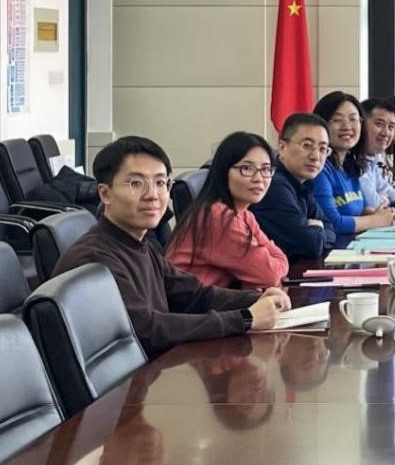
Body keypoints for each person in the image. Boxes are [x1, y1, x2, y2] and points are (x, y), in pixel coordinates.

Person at [52, 136, 291, 358]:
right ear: (105, 194)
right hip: (129, 386)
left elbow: (194, 294)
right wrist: (245, 318)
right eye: (136, 183)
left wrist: (254, 298)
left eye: (160, 183)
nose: (152, 195)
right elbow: (147, 329)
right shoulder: (96, 258)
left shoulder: (139, 244)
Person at [167, 132, 289, 289]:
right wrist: (273, 263)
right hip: (189, 303)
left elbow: (278, 260)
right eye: (247, 168)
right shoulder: (219, 217)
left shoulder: (244, 215)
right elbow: (269, 274)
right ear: (224, 172)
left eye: (266, 169)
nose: (259, 178)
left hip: (217, 299)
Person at [251, 112, 336, 261]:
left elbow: (330, 229)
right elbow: (310, 245)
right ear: (282, 147)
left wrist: (315, 229)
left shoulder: (302, 182)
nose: (316, 156)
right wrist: (318, 227)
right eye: (307, 146)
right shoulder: (273, 184)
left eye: (323, 149)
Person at [312, 91, 395, 235]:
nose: (347, 126)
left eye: (353, 119)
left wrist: (384, 214)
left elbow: (363, 209)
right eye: (337, 120)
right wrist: (377, 220)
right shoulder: (319, 168)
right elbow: (332, 224)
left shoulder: (352, 164)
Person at [358, 97, 395, 209]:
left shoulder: (373, 158)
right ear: (361, 124)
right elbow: (374, 204)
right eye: (379, 124)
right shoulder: (353, 160)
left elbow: (384, 186)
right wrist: (385, 199)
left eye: (391, 127)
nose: (386, 133)